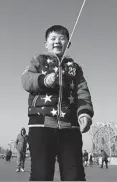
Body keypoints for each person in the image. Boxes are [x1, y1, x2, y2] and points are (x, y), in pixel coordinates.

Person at [21, 25, 94, 181]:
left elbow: (82, 91)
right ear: (46, 43)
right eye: (53, 38)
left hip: (71, 127)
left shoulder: (75, 68)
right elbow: (26, 80)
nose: (57, 42)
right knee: (41, 175)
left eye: (62, 38)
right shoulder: (37, 60)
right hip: (41, 126)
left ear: (68, 43)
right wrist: (43, 80)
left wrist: (85, 113)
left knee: (74, 176)